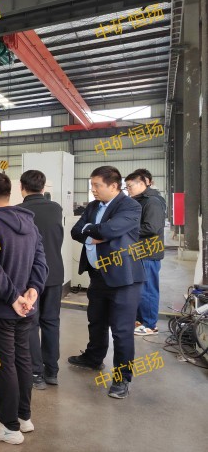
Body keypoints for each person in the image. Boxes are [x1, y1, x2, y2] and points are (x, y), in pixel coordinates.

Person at [0, 173, 48, 445]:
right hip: (26, 308)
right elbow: (41, 261)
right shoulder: (29, 223)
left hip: (0, 310)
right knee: (22, 361)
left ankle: (8, 426)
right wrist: (33, 290)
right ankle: (23, 416)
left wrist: (12, 297)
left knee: (3, 365)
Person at [69, 166, 145, 399]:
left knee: (121, 331)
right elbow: (75, 231)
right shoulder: (93, 206)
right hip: (98, 275)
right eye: (92, 185)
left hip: (123, 279)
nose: (93, 190)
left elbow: (111, 230)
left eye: (97, 185)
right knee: (96, 321)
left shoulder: (130, 206)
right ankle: (93, 358)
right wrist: (94, 233)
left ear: (113, 186)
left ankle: (122, 379)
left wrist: (92, 230)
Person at [18, 170, 64, 389]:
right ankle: (52, 371)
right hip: (54, 273)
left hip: (29, 277)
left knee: (30, 324)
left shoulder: (19, 211)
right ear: (43, 188)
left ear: (22, 188)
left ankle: (35, 373)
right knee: (51, 321)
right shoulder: (56, 208)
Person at [125, 171, 166, 335]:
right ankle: (140, 320)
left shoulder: (152, 202)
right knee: (139, 289)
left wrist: (126, 230)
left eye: (130, 186)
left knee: (148, 289)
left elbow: (151, 227)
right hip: (139, 251)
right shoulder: (139, 201)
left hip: (148, 252)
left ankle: (150, 325)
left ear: (144, 183)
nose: (128, 189)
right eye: (126, 187)